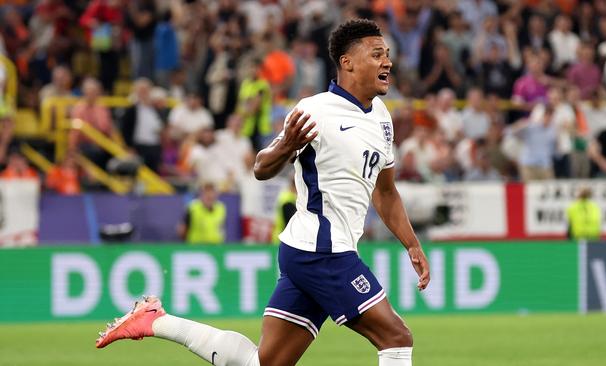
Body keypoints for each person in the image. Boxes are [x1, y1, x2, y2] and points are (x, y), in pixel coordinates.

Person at [95, 19, 430, 366]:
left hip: (310, 251)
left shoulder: (381, 117)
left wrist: (412, 243)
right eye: (377, 54)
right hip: (323, 252)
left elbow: (385, 193)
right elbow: (261, 168)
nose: (387, 62)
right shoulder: (314, 111)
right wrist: (287, 145)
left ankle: (156, 320)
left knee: (263, 363)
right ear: (347, 62)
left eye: (387, 54)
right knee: (395, 338)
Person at [272, 179, 297, 245]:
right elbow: (290, 223)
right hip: (283, 240)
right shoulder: (288, 200)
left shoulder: (285, 196)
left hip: (279, 238)